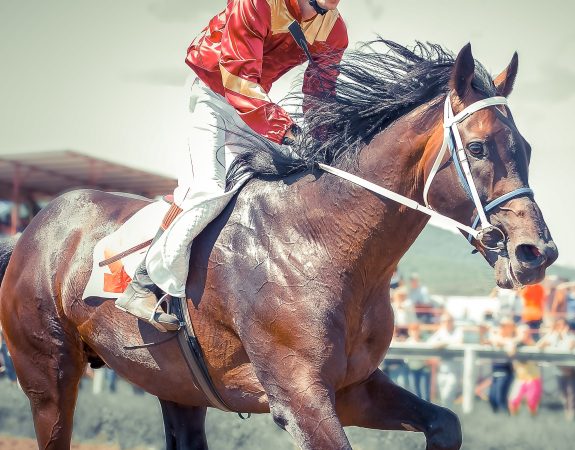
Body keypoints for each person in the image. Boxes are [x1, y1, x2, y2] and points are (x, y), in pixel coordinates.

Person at [115, 0, 348, 331]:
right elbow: (238, 78)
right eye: (319, 3)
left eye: (330, 6)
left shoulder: (334, 29)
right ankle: (143, 284)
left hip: (253, 107)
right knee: (206, 188)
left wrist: (326, 139)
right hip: (212, 95)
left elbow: (320, 92)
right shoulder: (255, 3)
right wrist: (288, 130)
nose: (324, 10)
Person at [537, 318, 575, 420]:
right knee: (563, 393)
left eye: (561, 326)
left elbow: (569, 348)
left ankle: (571, 413)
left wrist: (564, 334)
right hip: (559, 370)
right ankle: (566, 411)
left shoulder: (571, 337)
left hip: (571, 370)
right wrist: (550, 333)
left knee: (571, 393)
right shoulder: (553, 337)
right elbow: (539, 345)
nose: (559, 328)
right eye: (558, 326)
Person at [428, 313, 464, 408]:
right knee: (443, 398)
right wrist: (444, 343)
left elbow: (459, 343)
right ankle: (448, 419)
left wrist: (444, 343)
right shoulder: (441, 331)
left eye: (448, 321)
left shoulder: (457, 331)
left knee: (448, 396)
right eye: (444, 321)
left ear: (452, 322)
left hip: (454, 371)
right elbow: (430, 343)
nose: (446, 323)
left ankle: (449, 419)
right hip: (442, 371)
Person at [487, 318, 520, 413]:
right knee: (492, 398)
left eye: (505, 326)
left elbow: (511, 352)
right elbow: (493, 340)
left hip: (506, 371)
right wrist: (505, 343)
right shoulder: (496, 336)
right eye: (501, 325)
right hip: (495, 370)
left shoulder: (513, 339)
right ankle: (496, 418)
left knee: (500, 398)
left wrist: (507, 343)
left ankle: (506, 418)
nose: (502, 328)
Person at [405, 323, 431, 401]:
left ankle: (426, 412)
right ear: (410, 332)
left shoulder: (423, 342)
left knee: (425, 394)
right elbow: (405, 358)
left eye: (416, 330)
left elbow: (427, 357)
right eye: (413, 330)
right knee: (415, 393)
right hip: (412, 369)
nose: (415, 332)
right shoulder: (407, 342)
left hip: (423, 369)